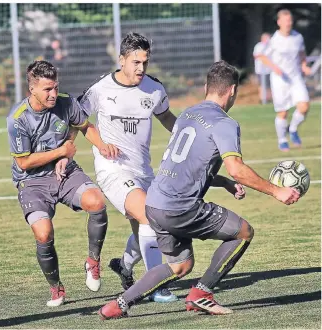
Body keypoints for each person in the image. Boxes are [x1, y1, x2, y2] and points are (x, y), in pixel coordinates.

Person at [98, 60, 301, 319]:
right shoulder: (225, 123)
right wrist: (277, 191)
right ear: (232, 91)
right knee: (243, 232)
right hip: (181, 207)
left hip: (155, 203)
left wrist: (224, 183)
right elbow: (236, 168)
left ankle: (119, 304)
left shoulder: (187, 115)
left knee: (179, 265)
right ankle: (202, 294)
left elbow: (190, 164)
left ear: (206, 87)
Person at [6, 60, 118, 307]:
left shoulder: (67, 103)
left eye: (55, 87)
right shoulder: (18, 119)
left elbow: (85, 126)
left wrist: (102, 145)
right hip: (32, 182)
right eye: (47, 89)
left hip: (64, 173)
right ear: (32, 90)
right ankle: (56, 288)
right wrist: (62, 152)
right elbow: (24, 163)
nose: (53, 94)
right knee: (44, 233)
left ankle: (92, 262)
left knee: (96, 202)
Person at [77, 32, 178, 303]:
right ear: (121, 60)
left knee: (153, 223)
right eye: (135, 62)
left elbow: (166, 116)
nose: (141, 68)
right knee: (148, 216)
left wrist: (184, 136)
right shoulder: (101, 89)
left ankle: (124, 265)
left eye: (145, 62)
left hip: (144, 170)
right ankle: (155, 285)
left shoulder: (154, 89)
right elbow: (78, 119)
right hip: (113, 170)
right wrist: (94, 144)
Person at [256, 9, 311, 152]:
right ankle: (282, 140)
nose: (288, 23)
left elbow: (302, 54)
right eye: (285, 20)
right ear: (279, 22)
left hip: (295, 77)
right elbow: (260, 55)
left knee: (304, 106)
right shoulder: (274, 40)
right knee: (283, 112)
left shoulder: (298, 37)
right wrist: (275, 68)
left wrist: (304, 65)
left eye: (290, 20)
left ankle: (292, 129)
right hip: (280, 80)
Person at [253, 33, 272, 103]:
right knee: (262, 85)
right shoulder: (258, 46)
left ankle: (269, 98)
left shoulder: (271, 46)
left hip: (270, 69)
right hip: (260, 70)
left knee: (269, 85)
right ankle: (262, 98)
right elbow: (256, 55)